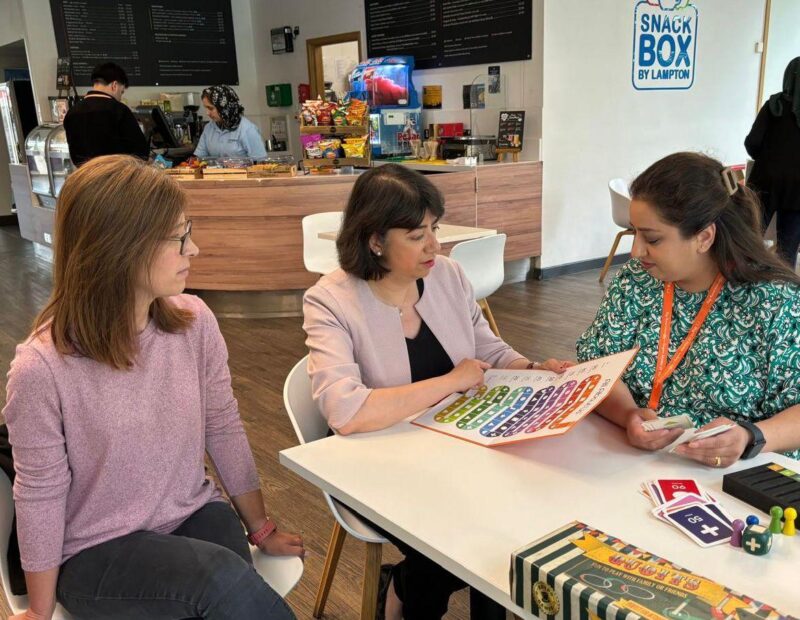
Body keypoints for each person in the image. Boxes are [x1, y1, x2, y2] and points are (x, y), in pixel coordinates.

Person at [3, 155, 303, 620]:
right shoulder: (42, 369)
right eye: (180, 236)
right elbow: (39, 493)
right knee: (218, 580)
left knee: (221, 577)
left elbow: (222, 427)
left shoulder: (194, 324)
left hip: (191, 514)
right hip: (96, 550)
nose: (194, 249)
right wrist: (39, 613)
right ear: (121, 247)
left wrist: (260, 528)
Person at [303, 164, 567, 620]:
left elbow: (486, 347)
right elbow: (346, 411)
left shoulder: (446, 275)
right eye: (416, 234)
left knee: (507, 524)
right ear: (375, 240)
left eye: (435, 228)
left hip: (456, 448)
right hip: (376, 465)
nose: (435, 245)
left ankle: (413, 589)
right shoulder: (330, 300)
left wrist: (532, 369)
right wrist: (450, 382)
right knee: (466, 539)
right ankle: (407, 591)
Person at [577, 152, 800, 468]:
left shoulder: (774, 302)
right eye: (634, 232)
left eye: (652, 238)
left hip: (740, 473)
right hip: (636, 463)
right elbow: (599, 366)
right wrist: (628, 415)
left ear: (704, 237)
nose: (636, 251)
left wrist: (751, 437)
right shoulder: (635, 281)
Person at [745, 56, 800, 267]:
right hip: (798, 190)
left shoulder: (773, 105)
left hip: (766, 180)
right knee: (789, 245)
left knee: (751, 235)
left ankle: (745, 278)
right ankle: (781, 287)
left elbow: (752, 142)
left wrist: (768, 159)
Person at [63, 62, 149, 167]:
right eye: (121, 92)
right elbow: (140, 153)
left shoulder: (72, 112)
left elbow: (74, 151)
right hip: (116, 177)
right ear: (114, 85)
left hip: (85, 177)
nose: (120, 97)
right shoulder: (119, 110)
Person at [194, 85, 266, 160]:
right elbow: (200, 158)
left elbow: (260, 163)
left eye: (211, 108)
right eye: (206, 108)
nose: (207, 113)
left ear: (224, 107)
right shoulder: (209, 128)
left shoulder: (247, 129)